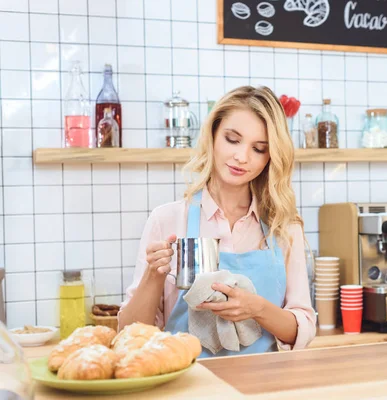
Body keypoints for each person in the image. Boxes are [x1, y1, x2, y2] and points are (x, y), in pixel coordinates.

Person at [118, 86, 317, 357]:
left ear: (271, 157)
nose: (242, 157)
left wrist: (257, 309)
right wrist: (154, 275)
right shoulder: (168, 220)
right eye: (232, 140)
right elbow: (130, 332)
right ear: (212, 135)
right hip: (188, 385)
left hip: (265, 386)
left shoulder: (285, 227)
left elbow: (302, 329)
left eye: (259, 149)